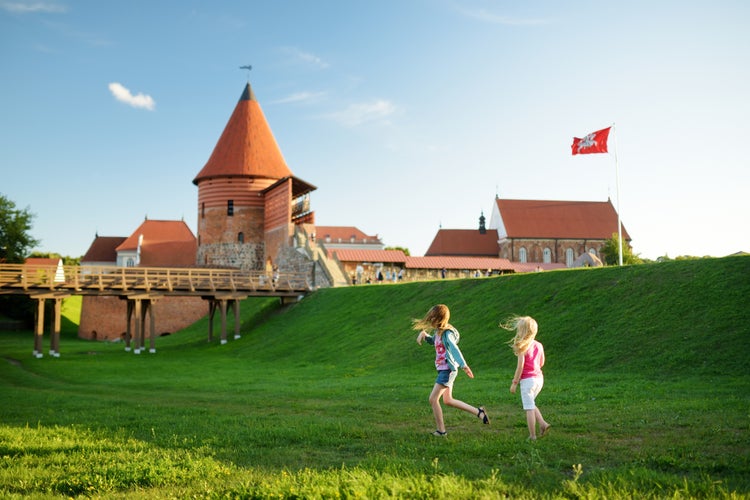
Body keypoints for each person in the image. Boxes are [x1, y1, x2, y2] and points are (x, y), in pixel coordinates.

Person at [414, 304, 490, 436]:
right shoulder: (438, 332)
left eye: (432, 318)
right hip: (444, 370)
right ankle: (479, 412)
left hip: (447, 370)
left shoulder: (447, 333)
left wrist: (463, 365)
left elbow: (454, 348)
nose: (430, 320)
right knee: (448, 400)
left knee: (433, 399)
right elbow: (435, 342)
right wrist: (424, 335)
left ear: (439, 319)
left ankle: (441, 431)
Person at [501, 315, 550, 440]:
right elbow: (542, 362)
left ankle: (532, 435)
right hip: (539, 379)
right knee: (531, 403)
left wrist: (514, 383)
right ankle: (543, 424)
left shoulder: (521, 346)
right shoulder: (539, 345)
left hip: (528, 381)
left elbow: (520, 367)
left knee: (528, 408)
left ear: (521, 331)